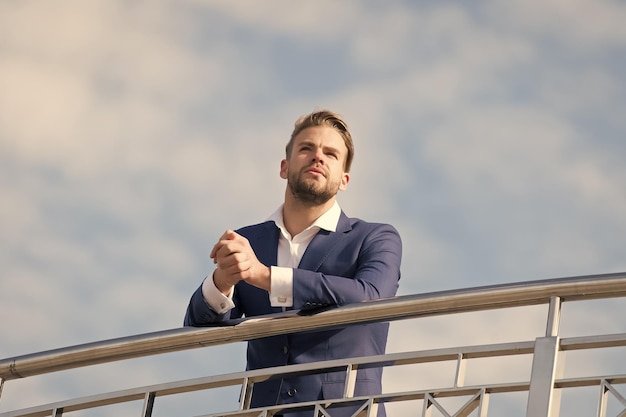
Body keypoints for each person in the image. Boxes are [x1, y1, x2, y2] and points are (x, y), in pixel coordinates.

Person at [184, 110, 402, 417]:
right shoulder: (248, 241)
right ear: (285, 167)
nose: (317, 157)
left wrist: (265, 276)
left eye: (330, 153)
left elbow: (371, 298)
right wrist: (222, 281)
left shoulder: (376, 237)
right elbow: (197, 332)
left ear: (344, 179)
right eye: (306, 148)